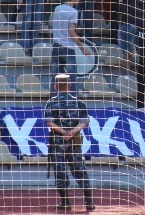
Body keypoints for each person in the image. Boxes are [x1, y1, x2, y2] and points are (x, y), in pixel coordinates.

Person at [44, 74, 95, 212]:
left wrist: (63, 132)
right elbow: (84, 122)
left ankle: (65, 202)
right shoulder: (79, 103)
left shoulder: (51, 103)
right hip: (74, 141)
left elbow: (49, 122)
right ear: (70, 86)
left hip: (57, 142)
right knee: (79, 170)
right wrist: (72, 132)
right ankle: (89, 202)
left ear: (55, 87)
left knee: (60, 171)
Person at [51, 0, 94, 94]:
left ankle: (54, 101)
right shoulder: (73, 11)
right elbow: (71, 32)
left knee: (56, 79)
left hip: (55, 46)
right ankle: (72, 101)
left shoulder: (57, 8)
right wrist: (82, 49)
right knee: (71, 79)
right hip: (67, 48)